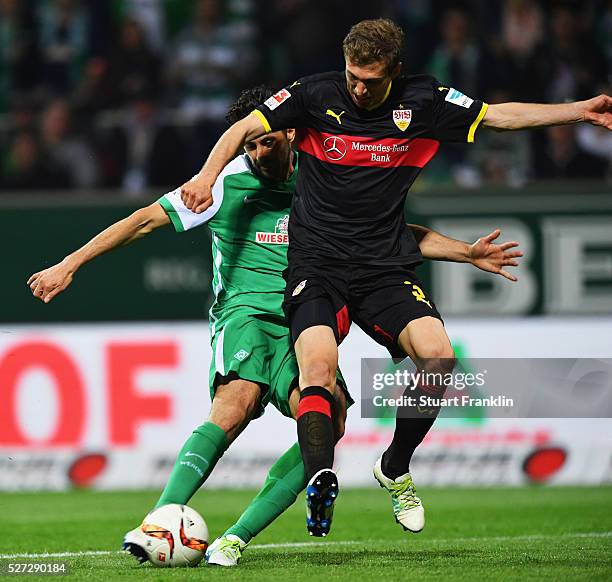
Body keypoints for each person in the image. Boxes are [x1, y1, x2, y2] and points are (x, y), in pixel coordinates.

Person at [28, 85, 522, 563]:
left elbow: (387, 238)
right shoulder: (224, 184)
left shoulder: (322, 174)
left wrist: (464, 252)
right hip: (243, 314)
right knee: (236, 403)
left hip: (302, 313)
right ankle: (157, 518)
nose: (259, 151)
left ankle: (235, 538)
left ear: (290, 134)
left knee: (334, 419)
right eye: (250, 143)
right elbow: (142, 221)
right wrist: (70, 263)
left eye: (266, 140)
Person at [179, 18, 611, 537]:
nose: (358, 89)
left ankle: (395, 466)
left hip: (383, 266)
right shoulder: (312, 95)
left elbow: (499, 117)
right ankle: (321, 479)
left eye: (371, 80)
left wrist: (579, 111)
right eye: (352, 77)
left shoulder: (424, 102)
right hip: (317, 264)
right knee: (317, 368)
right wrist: (206, 176)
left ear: (395, 72)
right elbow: (243, 128)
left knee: (439, 357)